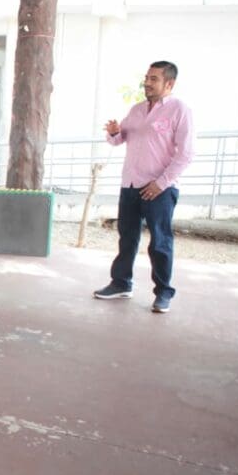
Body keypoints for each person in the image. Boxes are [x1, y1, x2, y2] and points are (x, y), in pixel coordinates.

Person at [94, 61, 195, 314]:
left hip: (160, 189)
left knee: (160, 242)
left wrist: (160, 184)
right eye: (147, 78)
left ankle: (163, 293)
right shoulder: (137, 109)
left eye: (154, 79)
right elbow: (119, 140)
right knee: (127, 238)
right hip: (130, 184)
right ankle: (121, 283)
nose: (147, 83)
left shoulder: (179, 110)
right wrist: (114, 132)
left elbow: (186, 154)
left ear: (169, 84)